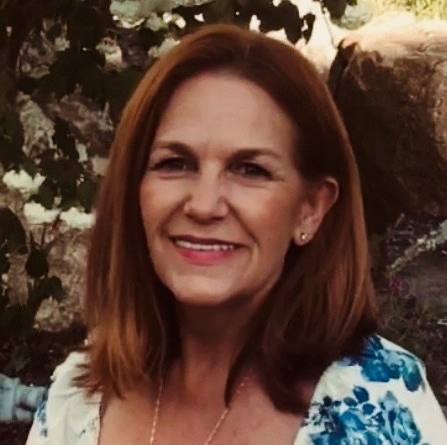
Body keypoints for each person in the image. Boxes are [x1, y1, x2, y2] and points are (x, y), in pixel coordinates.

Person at [25, 23, 447, 444]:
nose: (204, 204)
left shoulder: (381, 406)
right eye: (175, 163)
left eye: (250, 170)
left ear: (311, 208)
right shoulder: (79, 396)